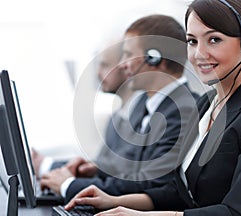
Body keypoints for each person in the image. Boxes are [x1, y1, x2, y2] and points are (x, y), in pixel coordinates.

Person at [65, 0, 241, 215]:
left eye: (214, 39)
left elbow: (238, 211)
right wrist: (114, 201)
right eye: (192, 41)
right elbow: (178, 192)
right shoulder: (207, 104)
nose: (199, 54)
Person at [33, 14, 199, 203]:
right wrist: (95, 169)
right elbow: (128, 167)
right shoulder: (141, 105)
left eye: (128, 55)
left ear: (154, 59)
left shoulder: (184, 110)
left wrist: (69, 185)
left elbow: (152, 183)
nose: (123, 64)